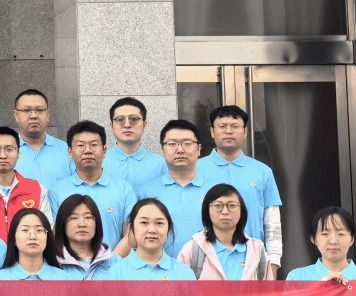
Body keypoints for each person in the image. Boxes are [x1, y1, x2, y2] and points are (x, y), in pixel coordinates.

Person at [201, 105, 284, 273]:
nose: (228, 131)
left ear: (245, 132)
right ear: (212, 132)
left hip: (252, 262)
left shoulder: (263, 171)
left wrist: (274, 261)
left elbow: (272, 222)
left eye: (235, 126)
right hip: (207, 261)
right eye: (222, 126)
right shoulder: (196, 170)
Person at [49, 120, 138, 255]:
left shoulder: (124, 189)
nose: (88, 151)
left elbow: (131, 234)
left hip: (114, 265)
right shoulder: (57, 190)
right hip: (70, 266)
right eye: (80, 145)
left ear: (104, 150)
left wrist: (110, 262)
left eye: (94, 145)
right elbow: (56, 236)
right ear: (69, 152)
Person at [148, 120, 212, 259]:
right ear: (163, 149)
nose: (180, 150)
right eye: (172, 144)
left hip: (207, 267)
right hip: (160, 268)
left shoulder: (215, 191)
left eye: (187, 143)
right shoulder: (147, 192)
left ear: (199, 149)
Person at [0, 126, 48, 242]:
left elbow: (45, 230)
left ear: (18, 154)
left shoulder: (37, 189)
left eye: (9, 149)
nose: (3, 156)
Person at [104, 96, 166, 194]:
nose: (127, 125)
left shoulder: (160, 165)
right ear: (111, 126)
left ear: (144, 124)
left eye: (134, 119)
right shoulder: (99, 163)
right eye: (120, 119)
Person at [12, 88, 73, 186]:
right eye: (26, 110)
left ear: (47, 115)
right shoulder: (3, 153)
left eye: (40, 110)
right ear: (16, 115)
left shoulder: (67, 151)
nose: (33, 116)